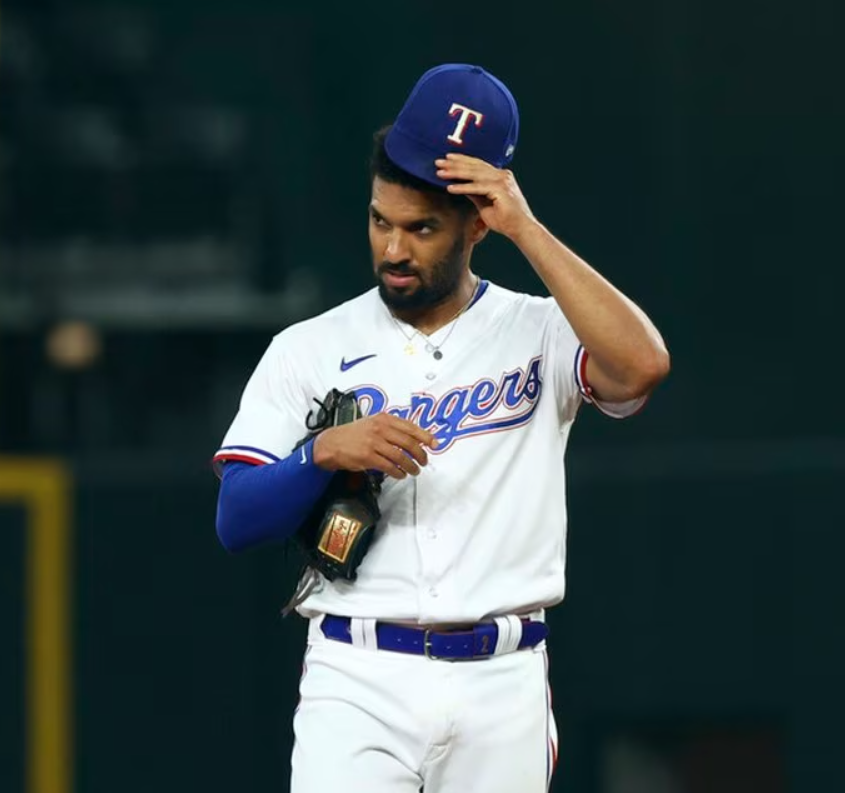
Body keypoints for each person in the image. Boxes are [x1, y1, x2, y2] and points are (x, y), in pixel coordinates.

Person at [212, 63, 670, 792]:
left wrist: (527, 227)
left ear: (478, 223)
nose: (394, 249)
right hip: (357, 673)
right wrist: (320, 452)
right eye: (380, 221)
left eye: (421, 228)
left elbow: (642, 364)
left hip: (502, 679)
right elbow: (235, 518)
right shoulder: (307, 347)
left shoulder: (539, 330)